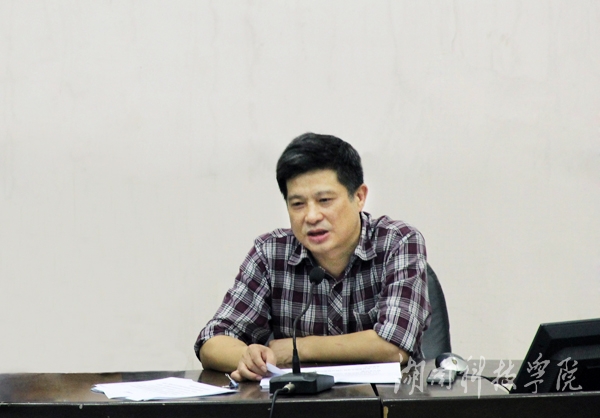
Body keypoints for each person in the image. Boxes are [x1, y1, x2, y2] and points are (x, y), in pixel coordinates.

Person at [195, 133, 431, 381]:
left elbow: (395, 345)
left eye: (324, 200)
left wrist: (297, 348)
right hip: (297, 401)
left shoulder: (398, 242)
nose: (311, 216)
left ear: (359, 197)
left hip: (383, 400)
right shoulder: (270, 253)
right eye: (298, 204)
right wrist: (248, 358)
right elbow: (212, 341)